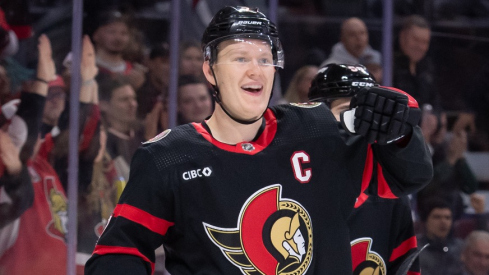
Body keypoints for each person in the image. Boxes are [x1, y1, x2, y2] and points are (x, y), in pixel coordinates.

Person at [85, 6, 432, 274]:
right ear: (210, 70)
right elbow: (120, 252)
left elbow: (406, 177)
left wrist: (400, 133)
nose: (255, 70)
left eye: (265, 59)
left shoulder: (319, 131)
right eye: (240, 58)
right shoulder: (168, 156)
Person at [308, 63, 420, 274]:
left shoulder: (392, 194)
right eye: (345, 111)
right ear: (316, 115)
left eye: (365, 113)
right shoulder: (293, 183)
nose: (359, 123)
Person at [394, 15, 441, 111]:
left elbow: (436, 103)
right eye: (416, 40)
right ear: (402, 37)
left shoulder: (427, 68)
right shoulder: (388, 67)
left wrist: (437, 118)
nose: (420, 47)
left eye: (425, 42)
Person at [92, 10, 146, 90]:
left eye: (123, 33)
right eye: (111, 32)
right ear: (96, 35)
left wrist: (139, 87)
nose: (118, 38)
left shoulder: (134, 71)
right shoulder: (85, 67)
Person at [417, 198, 465, 275]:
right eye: (437, 217)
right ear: (425, 221)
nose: (443, 222)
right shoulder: (415, 248)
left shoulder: (461, 247)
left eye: (447, 218)